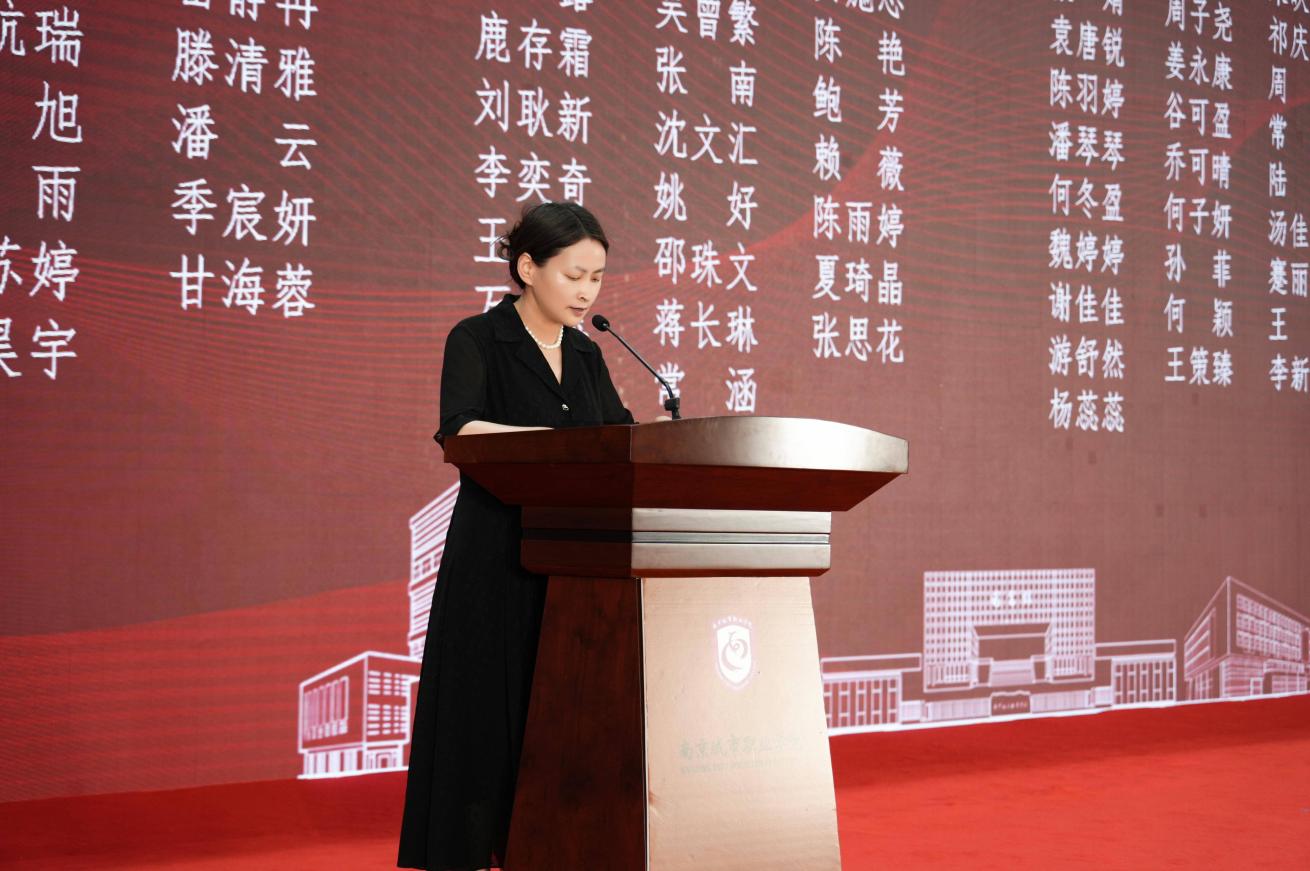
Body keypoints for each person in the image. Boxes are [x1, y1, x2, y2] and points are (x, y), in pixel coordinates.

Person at [397, 201, 634, 871]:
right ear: (528, 268)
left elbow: (617, 438)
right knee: (483, 714)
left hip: (577, 562)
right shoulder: (478, 338)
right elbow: (460, 429)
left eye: (597, 277)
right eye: (573, 275)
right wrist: (561, 445)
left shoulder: (586, 353)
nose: (587, 292)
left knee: (559, 709)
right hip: (494, 556)